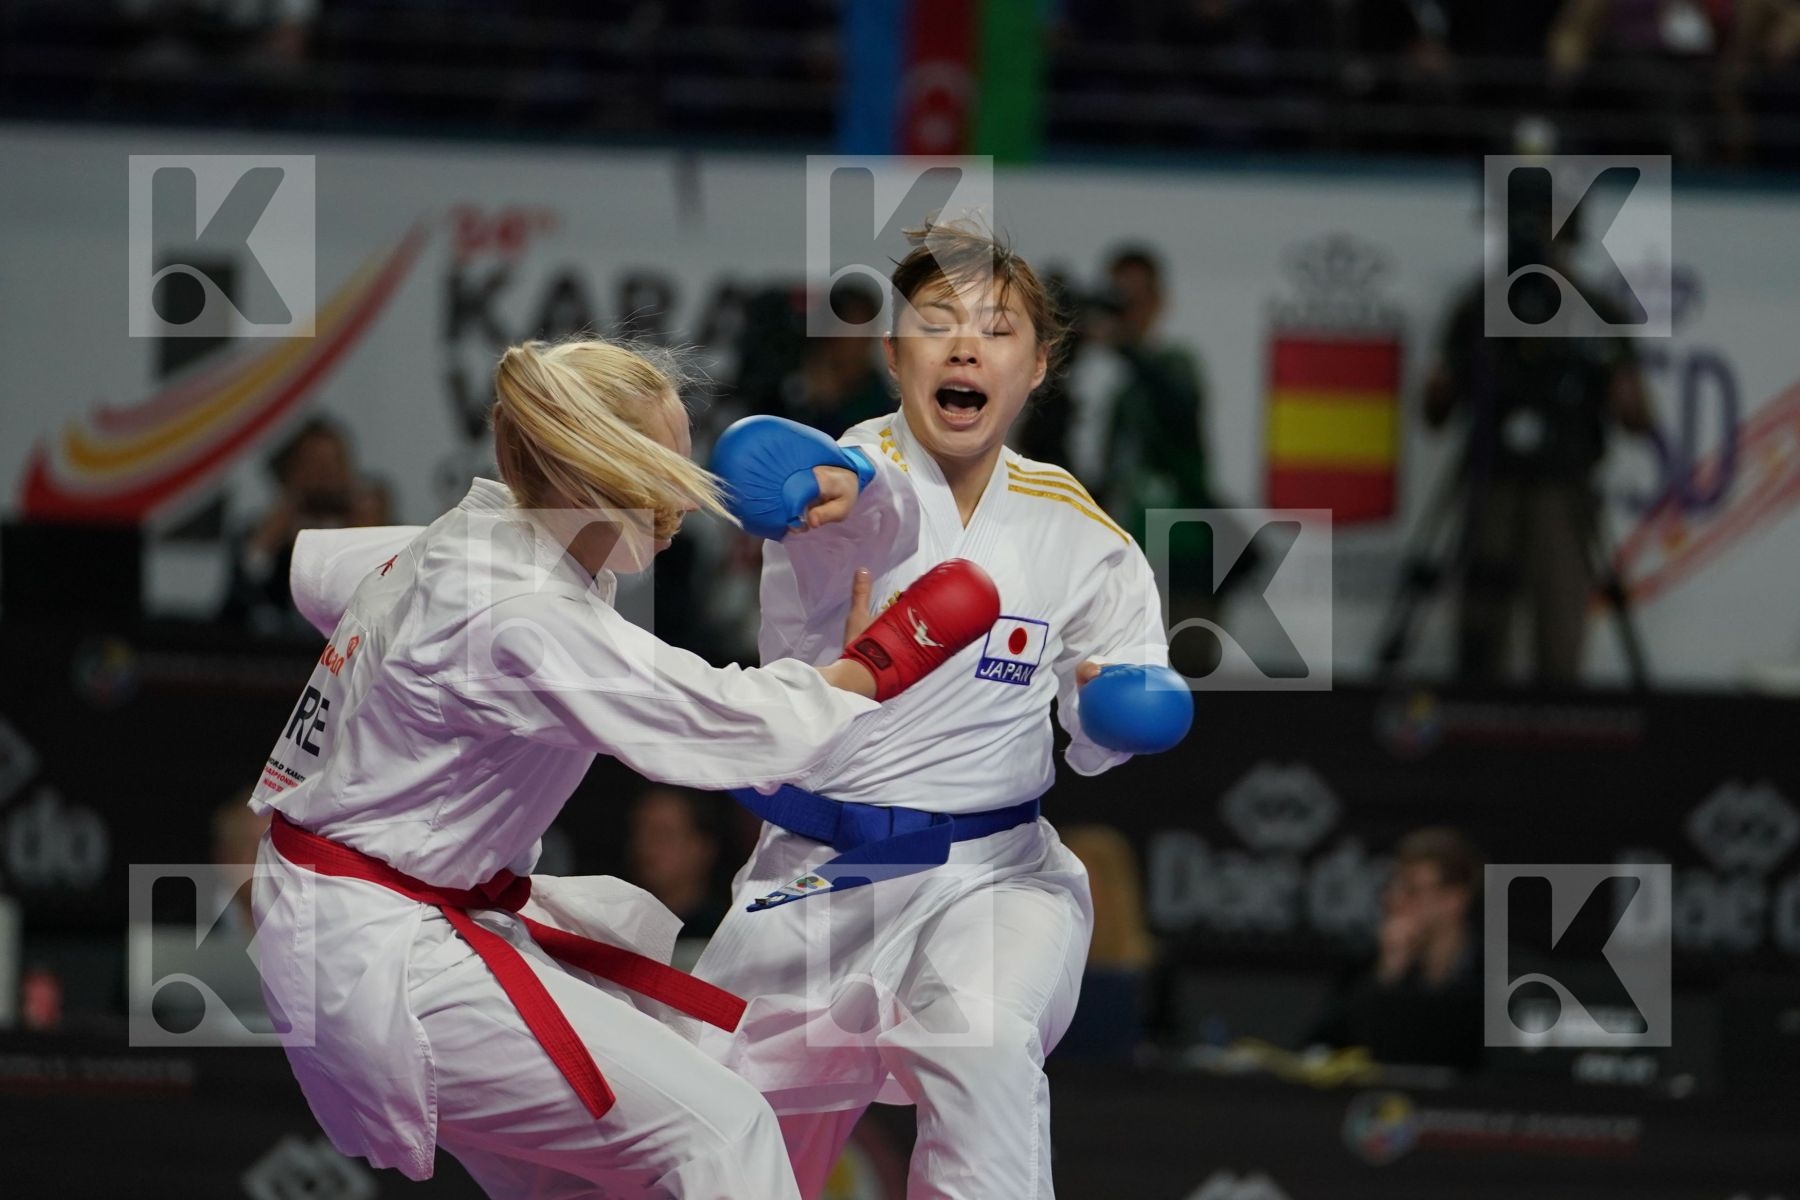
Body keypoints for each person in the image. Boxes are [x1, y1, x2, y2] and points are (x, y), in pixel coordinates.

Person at [252, 336, 1000, 1198]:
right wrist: (874, 666)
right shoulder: (516, 609)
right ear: (583, 472)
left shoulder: (468, 543)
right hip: (387, 955)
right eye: (658, 465)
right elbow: (705, 720)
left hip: (364, 922)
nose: (683, 495)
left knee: (595, 1188)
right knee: (726, 1132)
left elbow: (316, 574)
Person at [696, 221, 1193, 1198]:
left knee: (981, 1043)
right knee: (706, 1130)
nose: (966, 346)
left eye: (997, 329)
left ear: (1038, 365)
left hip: (993, 877)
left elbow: (1100, 735)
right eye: (936, 323)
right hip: (820, 877)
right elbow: (867, 496)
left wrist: (1108, 710)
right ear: (894, 354)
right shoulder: (843, 480)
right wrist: (808, 484)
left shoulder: (1080, 536)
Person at [1424, 173, 1652, 685]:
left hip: (1564, 489)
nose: (1532, 235)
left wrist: (1600, 358)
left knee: (1559, 636)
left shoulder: (1596, 310)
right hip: (1492, 484)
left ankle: (1559, 748)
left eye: (1544, 223)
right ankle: (1479, 746)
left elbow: (1637, 416)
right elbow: (1436, 411)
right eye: (1522, 224)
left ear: (1568, 230)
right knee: (1481, 638)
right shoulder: (1477, 305)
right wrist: (1465, 368)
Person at [1089, 246, 1225, 680]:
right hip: (1117, 554)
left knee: (1187, 681)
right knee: (1113, 684)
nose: (1127, 310)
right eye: (1117, 297)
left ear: (1160, 301)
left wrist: (1123, 344)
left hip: (1180, 551)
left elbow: (1179, 406)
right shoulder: (1107, 381)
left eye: (1136, 298)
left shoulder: (1175, 364)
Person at [1306, 827, 1485, 1074]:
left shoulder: (1498, 973)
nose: (1393, 900)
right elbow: (1319, 1049)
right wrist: (1388, 975)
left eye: (1411, 890)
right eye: (1392, 886)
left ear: (1454, 899)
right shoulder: (1366, 967)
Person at [627, 786, 731, 938]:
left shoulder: (727, 935)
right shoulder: (617, 929)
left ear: (701, 847)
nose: (644, 844)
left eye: (662, 834)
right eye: (639, 830)